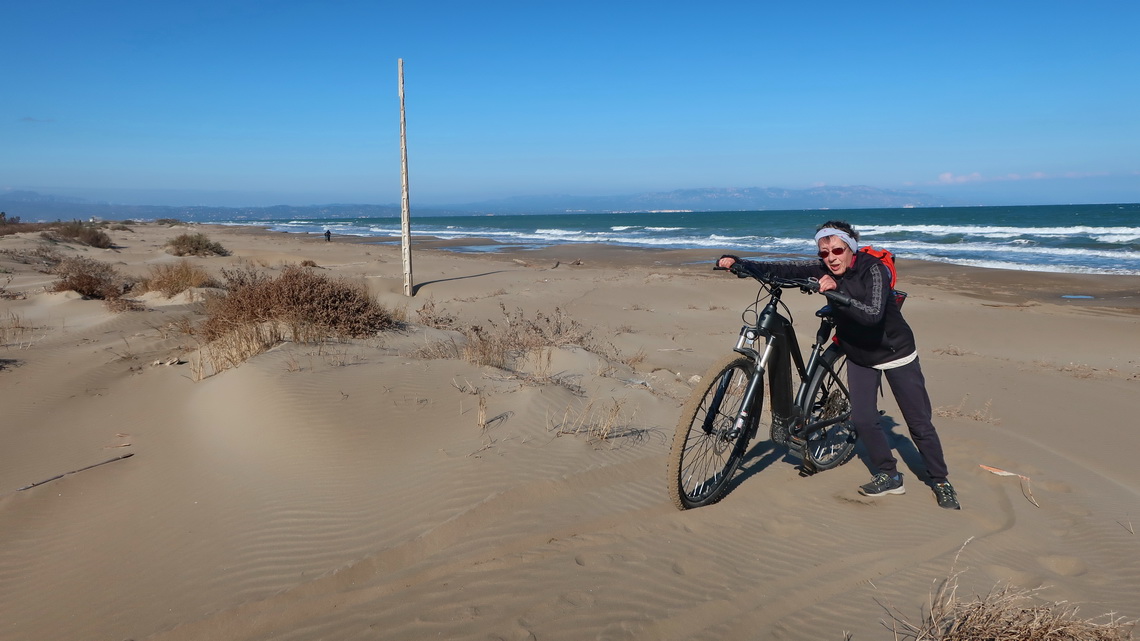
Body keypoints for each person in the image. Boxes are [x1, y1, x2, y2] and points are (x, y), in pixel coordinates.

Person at [716, 220, 960, 510]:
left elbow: (871, 314)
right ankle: (889, 474)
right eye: (824, 253)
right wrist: (742, 263)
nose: (830, 258)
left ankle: (940, 479)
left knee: (918, 422)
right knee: (863, 419)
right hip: (858, 354)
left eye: (837, 250)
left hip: (895, 352)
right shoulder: (826, 270)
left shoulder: (873, 269)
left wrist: (835, 293)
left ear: (850, 248)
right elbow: (786, 269)